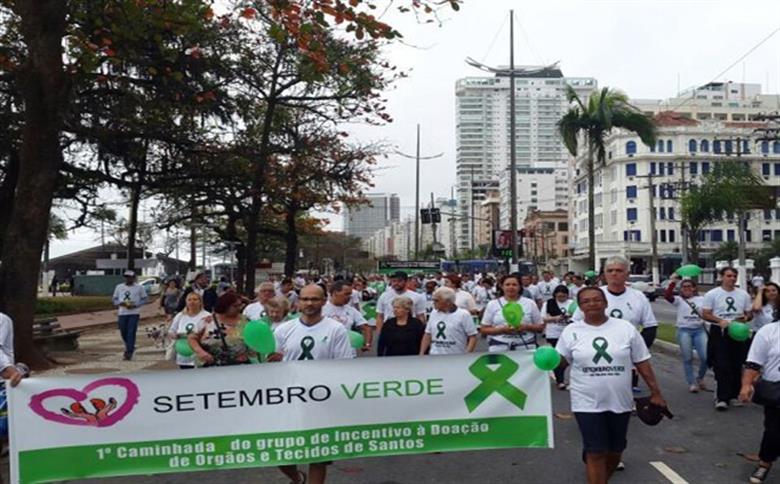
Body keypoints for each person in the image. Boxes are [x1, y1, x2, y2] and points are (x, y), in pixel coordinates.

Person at [556, 287, 668, 484]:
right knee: (595, 452)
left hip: (620, 401)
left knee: (616, 451)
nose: (592, 304)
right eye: (586, 301)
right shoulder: (571, 331)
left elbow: (642, 361)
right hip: (586, 401)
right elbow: (562, 362)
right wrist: (550, 361)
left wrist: (656, 392)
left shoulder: (625, 328)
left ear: (605, 303)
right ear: (580, 307)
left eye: (597, 300)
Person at [270, 284, 353, 484]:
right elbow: (272, 365)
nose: (309, 303)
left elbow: (344, 365)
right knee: (281, 453)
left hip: (321, 401)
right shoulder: (283, 330)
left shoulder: (336, 329)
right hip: (289, 400)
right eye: (305, 299)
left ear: (323, 301)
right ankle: (297, 478)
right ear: (298, 302)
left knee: (318, 456)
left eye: (315, 299)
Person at [702, 266, 753, 410]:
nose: (732, 279)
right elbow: (705, 314)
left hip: (738, 331)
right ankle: (722, 397)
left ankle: (734, 395)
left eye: (734, 276)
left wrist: (745, 318)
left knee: (737, 364)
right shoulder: (712, 294)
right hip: (720, 331)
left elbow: (749, 314)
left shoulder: (743, 294)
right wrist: (720, 321)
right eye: (729, 276)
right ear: (721, 277)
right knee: (721, 364)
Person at [739, 321, 780, 483]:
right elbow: (753, 362)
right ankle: (765, 463)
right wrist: (746, 385)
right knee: (773, 431)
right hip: (776, 390)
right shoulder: (769, 331)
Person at [664, 275, 708, 392]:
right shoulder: (679, 300)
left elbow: (709, 310)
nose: (687, 288)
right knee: (688, 358)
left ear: (694, 288)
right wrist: (673, 282)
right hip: (684, 330)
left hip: (699, 330)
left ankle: (700, 377)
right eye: (684, 287)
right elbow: (667, 296)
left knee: (705, 357)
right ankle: (691, 383)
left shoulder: (702, 299)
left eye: (689, 286)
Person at [189, 292, 257, 367]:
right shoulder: (208, 321)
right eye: (235, 306)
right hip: (211, 365)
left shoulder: (246, 321)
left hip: (240, 365)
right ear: (225, 306)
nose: (239, 308)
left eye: (240, 305)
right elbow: (192, 338)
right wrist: (200, 352)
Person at [480, 274, 544, 352]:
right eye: (507, 285)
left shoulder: (530, 303)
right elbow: (484, 329)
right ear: (501, 286)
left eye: (514, 285)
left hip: (525, 346)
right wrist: (502, 330)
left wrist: (526, 327)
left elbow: (540, 327)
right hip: (499, 347)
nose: (511, 287)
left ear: (520, 287)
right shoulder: (493, 304)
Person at [419, 287, 478, 355]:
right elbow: (427, 334)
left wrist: (466, 354)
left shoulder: (463, 314)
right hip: (434, 356)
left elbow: (472, 337)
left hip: (455, 356)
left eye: (436, 300)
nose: (433, 303)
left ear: (448, 302)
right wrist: (422, 353)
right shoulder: (433, 313)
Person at [322, 280, 371, 353]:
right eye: (346, 294)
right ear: (335, 293)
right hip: (326, 352)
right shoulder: (321, 309)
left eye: (350, 294)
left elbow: (367, 328)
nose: (349, 297)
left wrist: (367, 344)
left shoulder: (351, 310)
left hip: (348, 352)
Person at [168, 292, 212, 369]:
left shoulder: (207, 315)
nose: (192, 302)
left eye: (195, 299)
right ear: (186, 302)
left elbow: (210, 332)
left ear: (200, 302)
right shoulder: (180, 316)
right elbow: (171, 331)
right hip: (183, 356)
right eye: (189, 300)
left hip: (201, 354)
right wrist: (175, 335)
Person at [111, 270, 148, 360]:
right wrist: (120, 303)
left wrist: (136, 305)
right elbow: (114, 299)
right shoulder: (119, 287)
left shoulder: (139, 287)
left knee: (131, 332)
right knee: (123, 331)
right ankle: (130, 346)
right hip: (122, 313)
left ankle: (129, 351)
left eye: (130, 277)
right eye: (127, 277)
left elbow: (144, 299)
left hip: (134, 313)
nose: (128, 279)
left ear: (134, 278)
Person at [542, 285, 574, 389]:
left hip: (569, 333)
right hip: (553, 334)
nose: (561, 298)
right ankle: (560, 380)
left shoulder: (571, 304)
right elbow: (543, 318)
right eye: (559, 296)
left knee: (571, 357)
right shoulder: (549, 303)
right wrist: (556, 318)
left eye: (563, 296)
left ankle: (572, 379)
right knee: (557, 358)